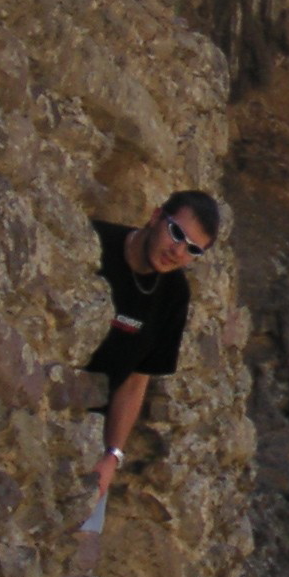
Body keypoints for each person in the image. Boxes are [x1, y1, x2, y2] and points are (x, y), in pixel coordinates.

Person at [84, 191, 219, 499]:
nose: (178, 251)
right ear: (156, 216)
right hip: (43, 404)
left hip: (86, 436)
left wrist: (111, 456)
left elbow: (136, 380)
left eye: (193, 249)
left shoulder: (174, 295)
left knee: (82, 537)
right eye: (176, 233)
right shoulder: (93, 244)